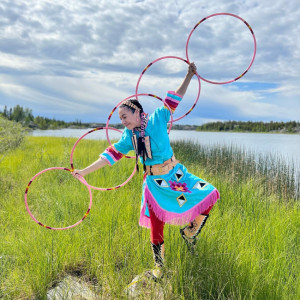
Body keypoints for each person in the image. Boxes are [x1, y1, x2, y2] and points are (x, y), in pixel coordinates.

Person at [73, 63, 220, 280]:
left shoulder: (158, 118)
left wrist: (189, 75)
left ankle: (189, 232)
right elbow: (110, 156)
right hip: (153, 182)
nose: (122, 121)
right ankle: (159, 266)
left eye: (125, 116)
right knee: (156, 222)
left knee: (210, 193)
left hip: (176, 175)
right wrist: (83, 172)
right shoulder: (128, 136)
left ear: (137, 111)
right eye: (120, 119)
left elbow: (176, 98)